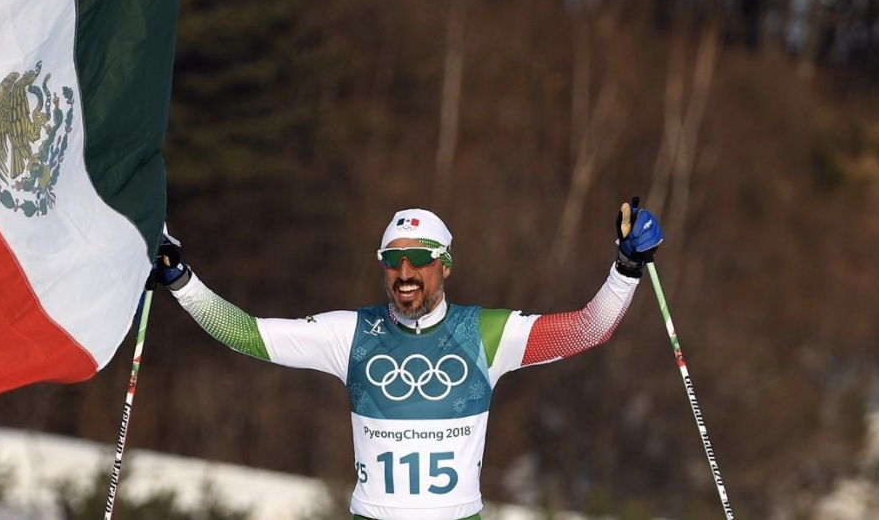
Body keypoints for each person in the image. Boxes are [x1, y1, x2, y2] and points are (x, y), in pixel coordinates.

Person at [151, 200, 664, 520]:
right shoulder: (350, 332)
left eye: (418, 259)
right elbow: (249, 335)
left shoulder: (485, 333)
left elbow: (587, 329)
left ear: (444, 266)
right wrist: (182, 282)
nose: (404, 272)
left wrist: (626, 267)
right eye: (391, 260)